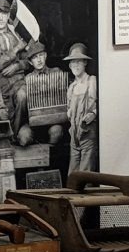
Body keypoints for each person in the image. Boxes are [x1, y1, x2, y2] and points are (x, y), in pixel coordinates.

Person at [14, 40, 69, 148]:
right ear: (30, 62)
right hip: (33, 124)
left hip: (54, 121)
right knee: (23, 137)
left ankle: (51, 159)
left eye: (41, 55)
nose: (38, 60)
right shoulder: (27, 79)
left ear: (45, 56)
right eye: (34, 57)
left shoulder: (57, 73)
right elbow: (20, 99)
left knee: (56, 132)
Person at [63, 43, 97, 173]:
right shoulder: (71, 87)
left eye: (79, 62)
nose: (75, 65)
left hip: (88, 135)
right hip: (74, 137)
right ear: (70, 65)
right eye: (73, 62)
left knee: (86, 175)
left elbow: (100, 106)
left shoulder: (92, 81)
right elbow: (69, 112)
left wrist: (93, 114)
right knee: (73, 175)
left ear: (85, 63)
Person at [0, 0, 28, 88]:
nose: (1, 18)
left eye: (4, 14)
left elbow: (28, 60)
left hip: (19, 81)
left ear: (8, 16)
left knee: (22, 96)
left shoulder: (16, 35)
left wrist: (17, 66)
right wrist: (17, 48)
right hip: (1, 85)